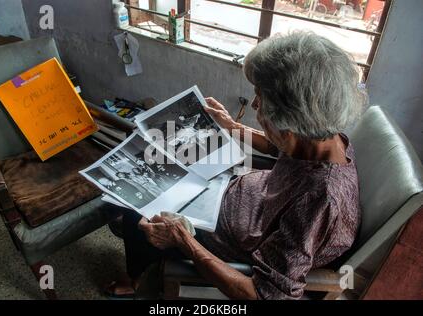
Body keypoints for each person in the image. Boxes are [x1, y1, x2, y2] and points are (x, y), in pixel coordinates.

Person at [106, 31, 366, 299]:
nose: (254, 104)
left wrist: (183, 241)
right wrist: (233, 127)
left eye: (260, 99)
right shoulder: (325, 136)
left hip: (224, 235)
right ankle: (134, 235)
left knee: (138, 211)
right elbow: (279, 148)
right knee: (152, 152)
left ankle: (135, 277)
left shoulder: (317, 201)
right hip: (236, 194)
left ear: (290, 125)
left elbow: (264, 295)